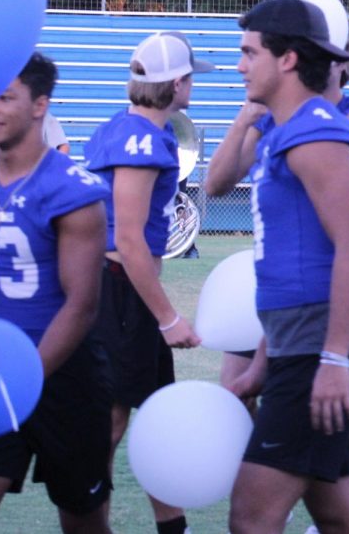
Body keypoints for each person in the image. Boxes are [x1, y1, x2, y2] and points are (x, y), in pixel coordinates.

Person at [224, 0, 349, 534]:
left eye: (249, 53)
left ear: (287, 59)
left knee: (251, 517)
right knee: (339, 516)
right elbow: (295, 256)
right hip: (305, 344)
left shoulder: (316, 132)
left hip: (322, 351)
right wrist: (262, 365)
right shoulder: (285, 131)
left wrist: (334, 359)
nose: (241, 65)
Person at [0, 54, 112, 533]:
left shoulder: (71, 190)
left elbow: (81, 304)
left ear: (39, 106)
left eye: (7, 97)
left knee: (83, 518)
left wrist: (24, 381)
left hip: (64, 376)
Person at [84, 31, 212, 534]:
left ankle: (171, 527)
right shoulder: (143, 139)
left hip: (118, 289)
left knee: (155, 420)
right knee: (110, 425)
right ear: (178, 84)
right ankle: (88, 524)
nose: (191, 87)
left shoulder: (118, 127)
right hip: (121, 291)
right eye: (190, 79)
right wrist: (168, 317)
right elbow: (131, 243)